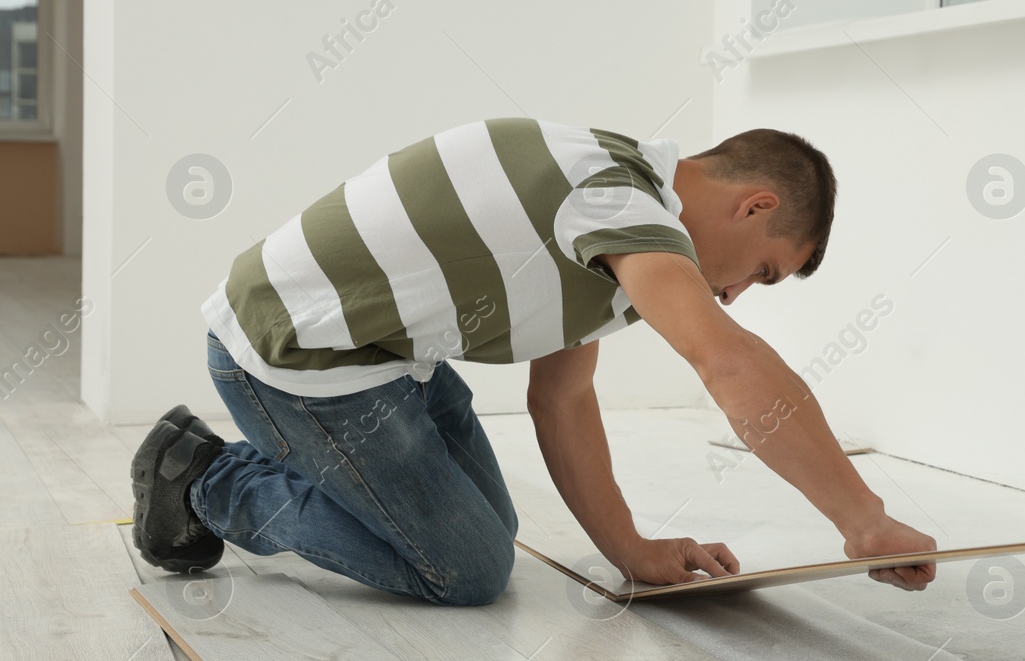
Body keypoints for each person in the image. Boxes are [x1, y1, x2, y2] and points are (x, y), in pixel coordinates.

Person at [129, 117, 937, 605]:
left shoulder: (612, 201)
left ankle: (252, 473)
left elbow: (563, 397)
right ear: (755, 204)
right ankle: (206, 479)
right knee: (467, 570)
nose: (733, 294)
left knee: (495, 532)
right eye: (761, 270)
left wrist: (630, 549)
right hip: (289, 359)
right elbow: (726, 361)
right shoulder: (618, 201)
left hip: (386, 358)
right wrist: (862, 519)